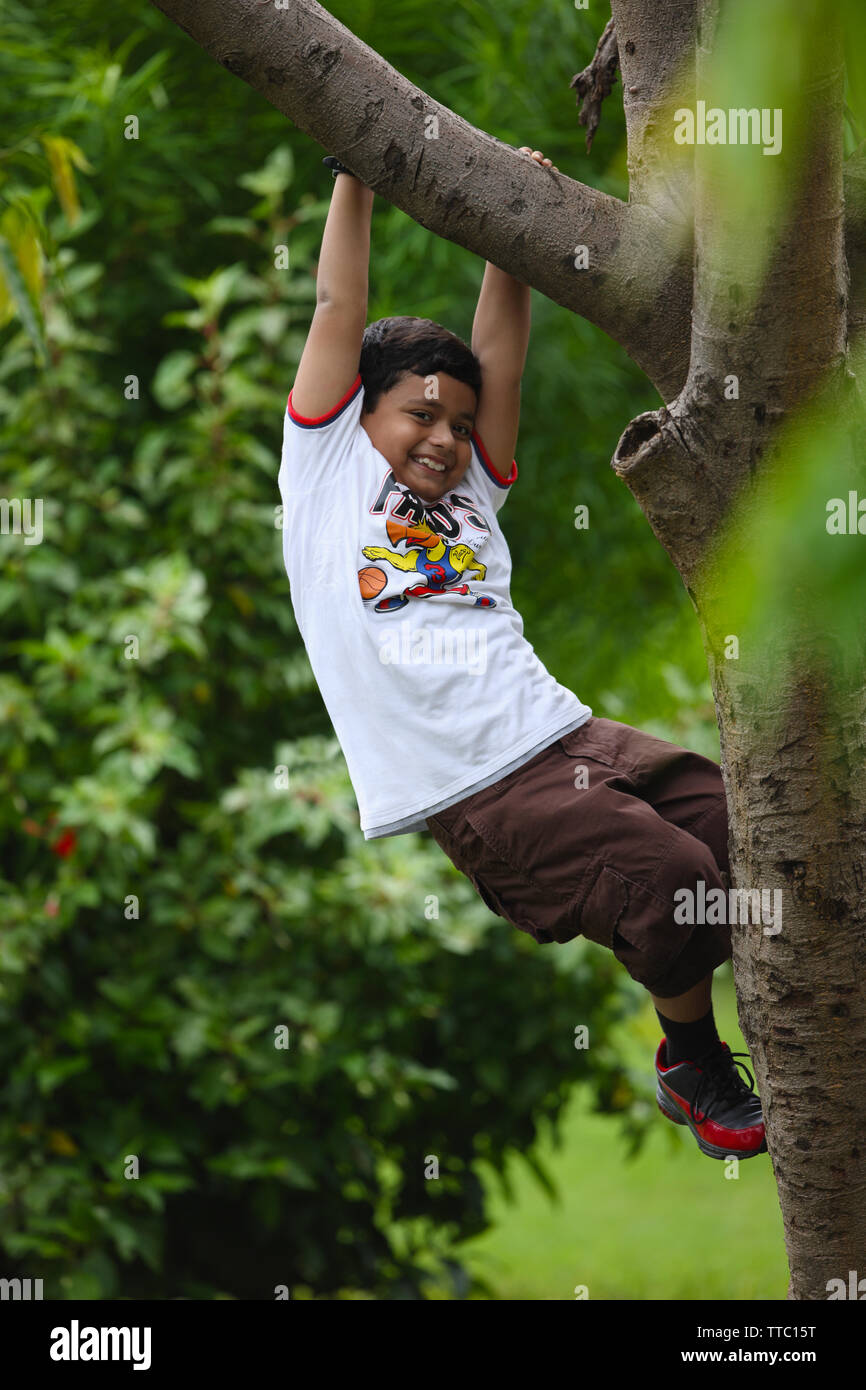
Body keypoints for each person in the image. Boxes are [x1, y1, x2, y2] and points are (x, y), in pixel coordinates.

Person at [277, 146, 766, 1162]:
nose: (444, 438)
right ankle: (688, 1055)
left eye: (458, 423)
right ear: (358, 414)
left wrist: (511, 229)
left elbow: (501, 351)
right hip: (481, 789)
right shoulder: (324, 475)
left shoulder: (470, 496)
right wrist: (355, 177)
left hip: (565, 731)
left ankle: (807, 1027)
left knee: (745, 828)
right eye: (418, 413)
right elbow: (336, 302)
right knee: (676, 881)